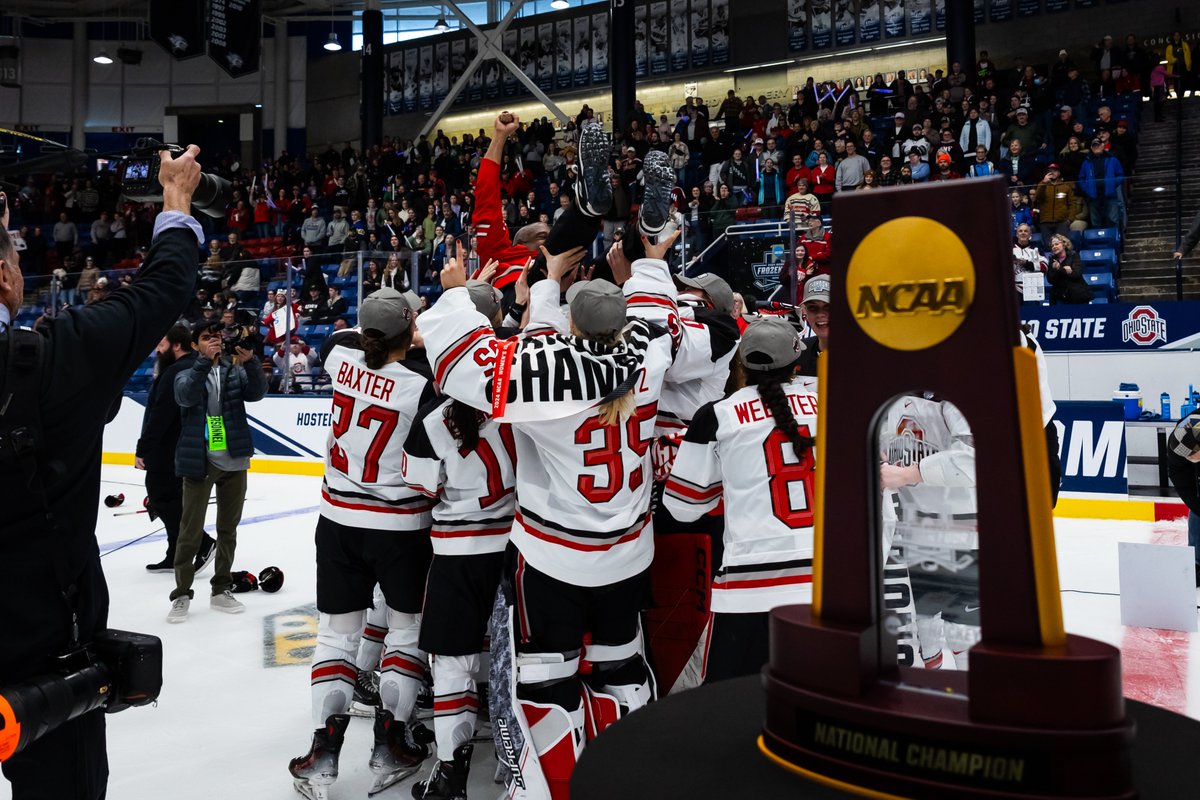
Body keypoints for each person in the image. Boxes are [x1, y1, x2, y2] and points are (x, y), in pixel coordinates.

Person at [419, 232, 726, 798]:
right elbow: (664, 321)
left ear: (572, 330)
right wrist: (651, 263)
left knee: (544, 685)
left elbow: (468, 364)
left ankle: (555, 787)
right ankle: (626, 780)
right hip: (627, 553)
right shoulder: (650, 357)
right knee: (622, 670)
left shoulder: (546, 375)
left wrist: (466, 292)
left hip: (551, 560)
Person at [0, 147, 204, 799]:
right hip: (44, 662)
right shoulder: (59, 358)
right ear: (6, 279)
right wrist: (175, 200)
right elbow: (164, 286)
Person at [288, 288, 439, 799]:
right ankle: (389, 745)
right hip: (400, 527)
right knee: (405, 633)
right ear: (408, 331)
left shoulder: (338, 354)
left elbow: (349, 336)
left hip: (338, 521)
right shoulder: (421, 383)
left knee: (336, 636)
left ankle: (323, 754)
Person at [400, 283, 517, 800]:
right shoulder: (525, 400)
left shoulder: (434, 420)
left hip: (456, 553)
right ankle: (515, 761)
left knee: (451, 664)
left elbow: (422, 485)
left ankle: (451, 773)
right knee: (512, 659)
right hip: (516, 548)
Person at [663, 317, 817, 682]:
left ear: (741, 363)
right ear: (797, 365)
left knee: (731, 707)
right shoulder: (832, 403)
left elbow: (682, 508)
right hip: (827, 582)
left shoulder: (718, 415)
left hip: (749, 587)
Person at [167, 318, 268, 623]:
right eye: (206, 337)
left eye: (217, 337)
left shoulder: (234, 370)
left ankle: (221, 588)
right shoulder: (184, 373)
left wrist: (252, 364)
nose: (214, 341)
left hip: (234, 458)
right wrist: (201, 363)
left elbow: (256, 394)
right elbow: (185, 396)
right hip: (200, 460)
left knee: (228, 530)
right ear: (195, 343)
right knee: (189, 531)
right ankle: (181, 594)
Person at [135, 323, 215, 574]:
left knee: (162, 497)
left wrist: (143, 448)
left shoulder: (175, 372)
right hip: (185, 445)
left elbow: (160, 415)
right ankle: (176, 552)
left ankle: (202, 542)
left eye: (162, 344)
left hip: (169, 447)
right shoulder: (191, 366)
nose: (157, 350)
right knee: (170, 497)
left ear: (176, 345)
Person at [1165, 413, 1200, 587]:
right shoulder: (1177, 443)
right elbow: (1179, 476)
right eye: (1187, 457)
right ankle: (1197, 562)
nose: (1189, 459)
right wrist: (1198, 506)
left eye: (1192, 456)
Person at [1045, 233, 1092, 305]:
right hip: (1060, 296)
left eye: (1056, 244)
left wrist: (1059, 268)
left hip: (1077, 295)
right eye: (1052, 246)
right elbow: (1050, 280)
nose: (1054, 247)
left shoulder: (1073, 256)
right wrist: (1063, 270)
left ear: (1064, 244)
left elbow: (1076, 274)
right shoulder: (1052, 261)